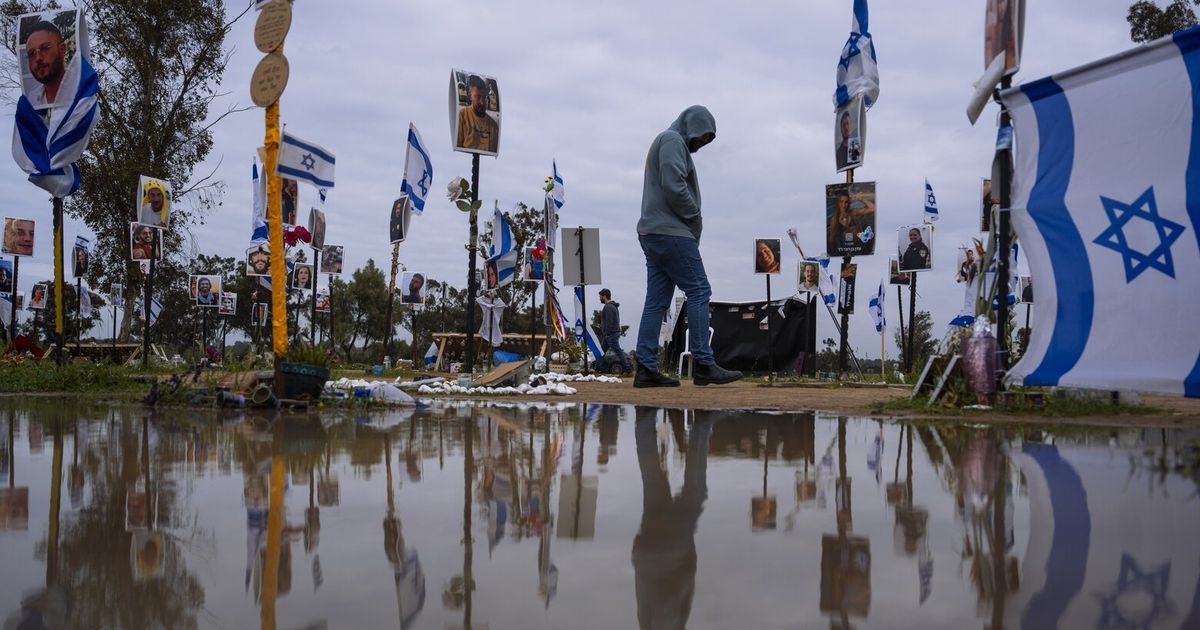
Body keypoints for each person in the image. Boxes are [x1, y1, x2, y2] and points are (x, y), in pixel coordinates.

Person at [634, 105, 741, 388]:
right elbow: (674, 185)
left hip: (652, 232)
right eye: (701, 137)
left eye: (707, 141)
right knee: (699, 289)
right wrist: (695, 216)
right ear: (690, 126)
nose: (701, 144)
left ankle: (645, 367)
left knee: (656, 302)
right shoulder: (672, 140)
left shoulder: (667, 141)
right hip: (671, 232)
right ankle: (704, 363)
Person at [631, 407, 713, 630]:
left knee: (696, 490)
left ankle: (703, 425)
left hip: (675, 549)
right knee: (651, 477)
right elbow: (641, 592)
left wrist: (688, 551)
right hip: (647, 552)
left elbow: (688, 583)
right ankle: (643, 419)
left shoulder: (676, 624)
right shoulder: (645, 623)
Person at [24, 21, 68, 108]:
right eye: (31, 54)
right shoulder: (31, 101)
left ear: (62, 49)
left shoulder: (82, 91)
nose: (38, 58)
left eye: (45, 48)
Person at [455, 74, 499, 153]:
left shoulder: (494, 127)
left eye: (485, 97)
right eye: (478, 97)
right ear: (470, 95)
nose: (482, 102)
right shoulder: (462, 116)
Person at [827, 190, 875, 256]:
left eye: (846, 202)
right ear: (838, 203)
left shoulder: (853, 213)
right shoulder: (835, 219)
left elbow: (873, 208)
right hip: (844, 251)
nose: (844, 205)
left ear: (848, 203)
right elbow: (832, 239)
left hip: (858, 248)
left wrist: (862, 199)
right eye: (841, 202)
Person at [598, 288, 632, 375]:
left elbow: (609, 322)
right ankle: (600, 368)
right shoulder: (614, 307)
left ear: (604, 296)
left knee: (618, 352)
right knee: (601, 351)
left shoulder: (608, 307)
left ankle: (628, 369)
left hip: (610, 334)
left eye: (600, 296)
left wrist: (606, 333)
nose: (600, 298)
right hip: (613, 333)